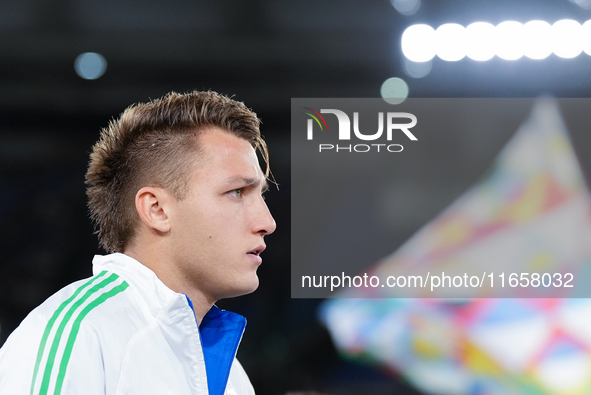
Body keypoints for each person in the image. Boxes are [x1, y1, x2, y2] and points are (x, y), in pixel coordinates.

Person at [0, 90, 276, 395]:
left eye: (260, 194)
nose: (267, 222)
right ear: (156, 210)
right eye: (237, 192)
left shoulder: (233, 379)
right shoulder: (76, 334)